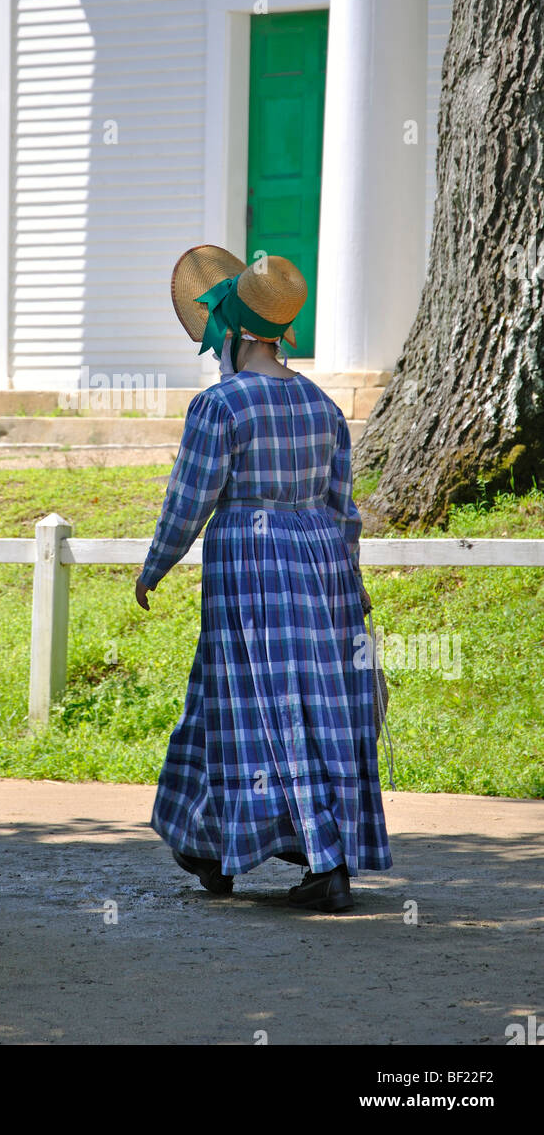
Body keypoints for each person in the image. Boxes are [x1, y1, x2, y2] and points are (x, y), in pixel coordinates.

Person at [135, 246, 391, 913]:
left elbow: (189, 500)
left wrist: (155, 564)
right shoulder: (322, 406)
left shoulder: (220, 405)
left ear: (235, 332)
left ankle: (319, 857)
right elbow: (343, 507)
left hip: (249, 560)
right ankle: (213, 842)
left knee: (259, 701)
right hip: (321, 562)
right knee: (309, 704)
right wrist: (352, 583)